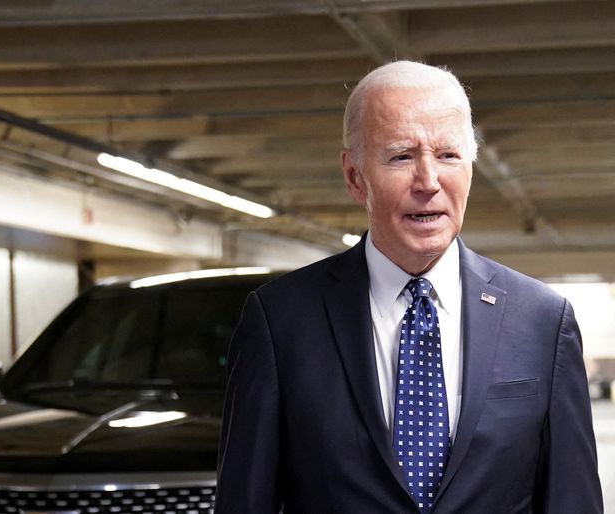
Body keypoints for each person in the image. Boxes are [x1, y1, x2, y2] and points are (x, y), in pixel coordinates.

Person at [214, 61, 602, 513]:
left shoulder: (542, 321)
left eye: (448, 155)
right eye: (401, 156)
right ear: (355, 176)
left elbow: (572, 501)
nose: (429, 182)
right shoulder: (280, 321)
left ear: (471, 169)